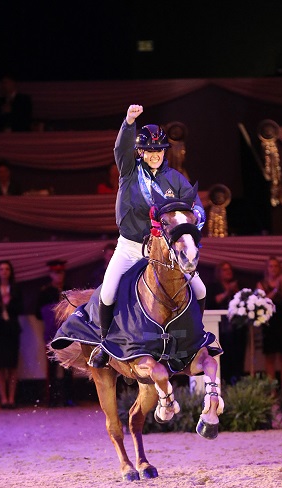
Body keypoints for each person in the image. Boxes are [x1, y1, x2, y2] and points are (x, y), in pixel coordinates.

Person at [89, 104, 207, 368]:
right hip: (130, 247)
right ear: (141, 151)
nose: (155, 156)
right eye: (150, 151)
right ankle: (104, 344)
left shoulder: (175, 179)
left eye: (159, 151)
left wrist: (197, 217)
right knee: (107, 293)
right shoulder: (129, 171)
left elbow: (195, 205)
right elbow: (120, 149)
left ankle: (197, 340)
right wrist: (129, 122)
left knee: (200, 288)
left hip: (164, 251)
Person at [35, 259, 74, 407]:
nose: (59, 276)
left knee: (69, 367)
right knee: (52, 367)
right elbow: (38, 313)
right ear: (51, 274)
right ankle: (51, 398)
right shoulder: (45, 292)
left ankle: (69, 398)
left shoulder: (69, 290)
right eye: (56, 273)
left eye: (61, 272)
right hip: (51, 333)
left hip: (68, 334)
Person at [0, 260, 23, 409]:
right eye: (1, 269)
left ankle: (12, 398)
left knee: (12, 365)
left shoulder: (15, 288)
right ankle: (3, 398)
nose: (4, 272)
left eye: (7, 269)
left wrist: (9, 303)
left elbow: (20, 308)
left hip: (11, 330)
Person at [256, 256, 282, 392]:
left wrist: (281, 288)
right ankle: (272, 391)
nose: (273, 269)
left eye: (276, 266)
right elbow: (263, 301)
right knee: (270, 356)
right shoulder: (261, 283)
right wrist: (276, 290)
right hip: (269, 321)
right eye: (271, 266)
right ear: (266, 269)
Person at [207, 261, 248, 385]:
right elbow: (213, 302)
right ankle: (223, 382)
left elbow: (245, 303)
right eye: (225, 270)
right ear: (219, 273)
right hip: (221, 330)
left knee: (238, 356)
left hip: (237, 329)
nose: (228, 272)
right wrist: (227, 292)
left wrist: (236, 292)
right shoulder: (213, 286)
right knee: (224, 357)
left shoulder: (238, 286)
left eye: (230, 269)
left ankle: (238, 381)